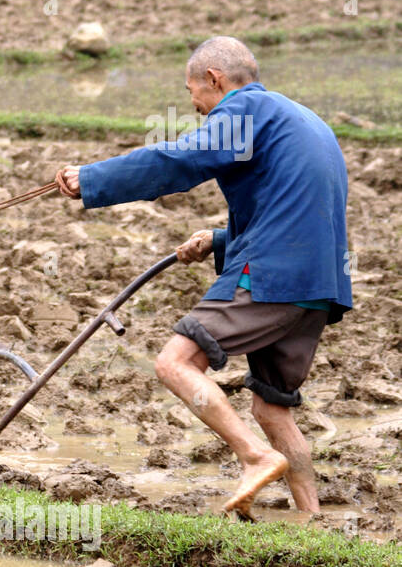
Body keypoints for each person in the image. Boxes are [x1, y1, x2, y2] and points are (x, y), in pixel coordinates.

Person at [54, 36, 352, 519]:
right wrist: (218, 239)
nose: (193, 106)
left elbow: (179, 160)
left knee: (174, 363)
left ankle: (255, 457)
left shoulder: (245, 111)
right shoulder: (301, 118)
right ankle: (311, 517)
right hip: (318, 285)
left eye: (192, 92)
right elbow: (292, 210)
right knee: (272, 409)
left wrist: (92, 178)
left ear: (214, 80)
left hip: (272, 276)